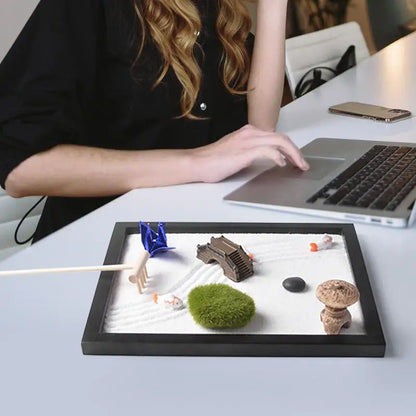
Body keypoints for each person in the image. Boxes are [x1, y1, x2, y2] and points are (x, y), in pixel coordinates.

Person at [0, 0, 309, 242]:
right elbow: (20, 168)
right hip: (99, 249)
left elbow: (261, 124)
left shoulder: (217, 8)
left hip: (193, 235)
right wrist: (196, 162)